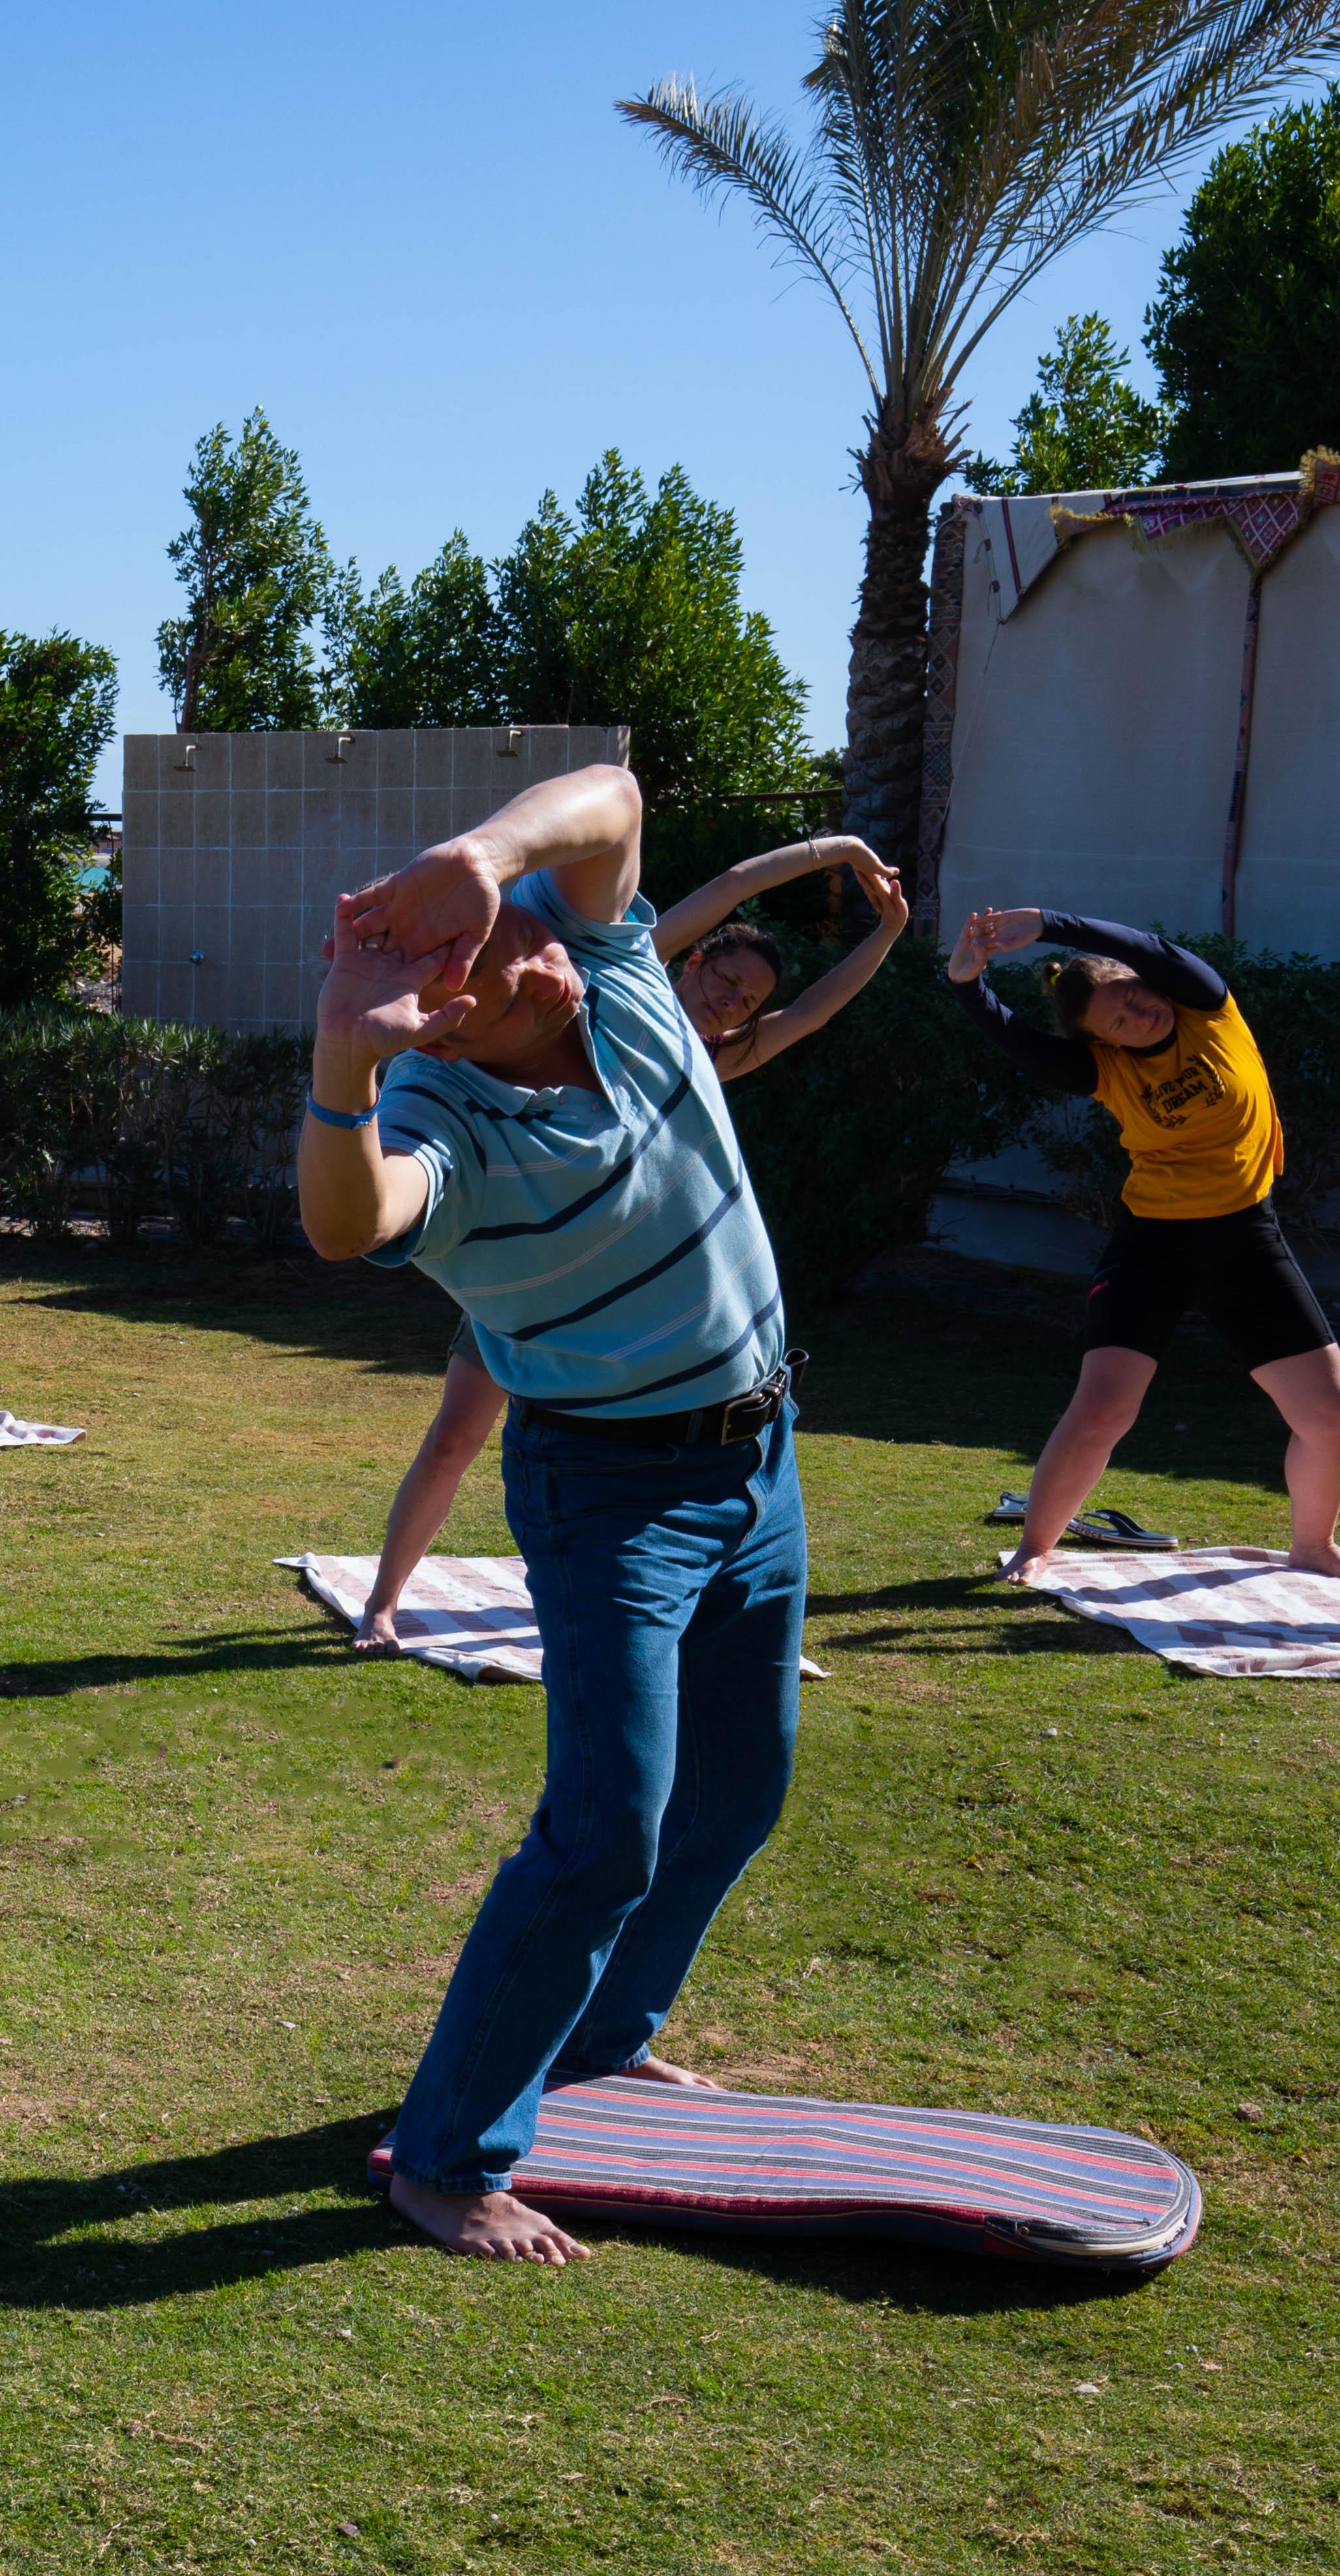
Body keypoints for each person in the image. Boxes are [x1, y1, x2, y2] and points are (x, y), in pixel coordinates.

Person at [300, 763, 803, 2266]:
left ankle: (602, 2042)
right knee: (603, 1829)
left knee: (739, 1793)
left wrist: (476, 846)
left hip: (760, 1464)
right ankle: (445, 2160)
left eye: (524, 911)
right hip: (615, 1496)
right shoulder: (441, 1121)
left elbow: (614, 800)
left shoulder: (618, 981)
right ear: (452, 1010)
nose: (539, 925)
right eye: (503, 931)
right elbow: (348, 1220)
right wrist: (342, 1067)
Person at [354, 835, 904, 1648]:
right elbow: (727, 879)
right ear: (692, 961)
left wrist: (888, 932)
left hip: (635, 1309)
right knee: (455, 1437)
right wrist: (833, 851)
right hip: (533, 1284)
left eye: (748, 1000)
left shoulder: (716, 1055)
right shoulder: (621, 971)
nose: (731, 1002)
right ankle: (384, 1603)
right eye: (725, 979)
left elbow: (819, 1010)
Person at [947, 904, 1340, 1586]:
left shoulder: (1207, 1011)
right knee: (1104, 1406)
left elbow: (1153, 947)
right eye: (1119, 1021)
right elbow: (1019, 1041)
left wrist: (1051, 922)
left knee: (1330, 1412)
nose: (1140, 1016)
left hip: (1245, 1237)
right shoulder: (1107, 1070)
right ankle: (1035, 1548)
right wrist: (967, 984)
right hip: (1155, 1242)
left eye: (1136, 997)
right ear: (1103, 1041)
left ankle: (1313, 1546)